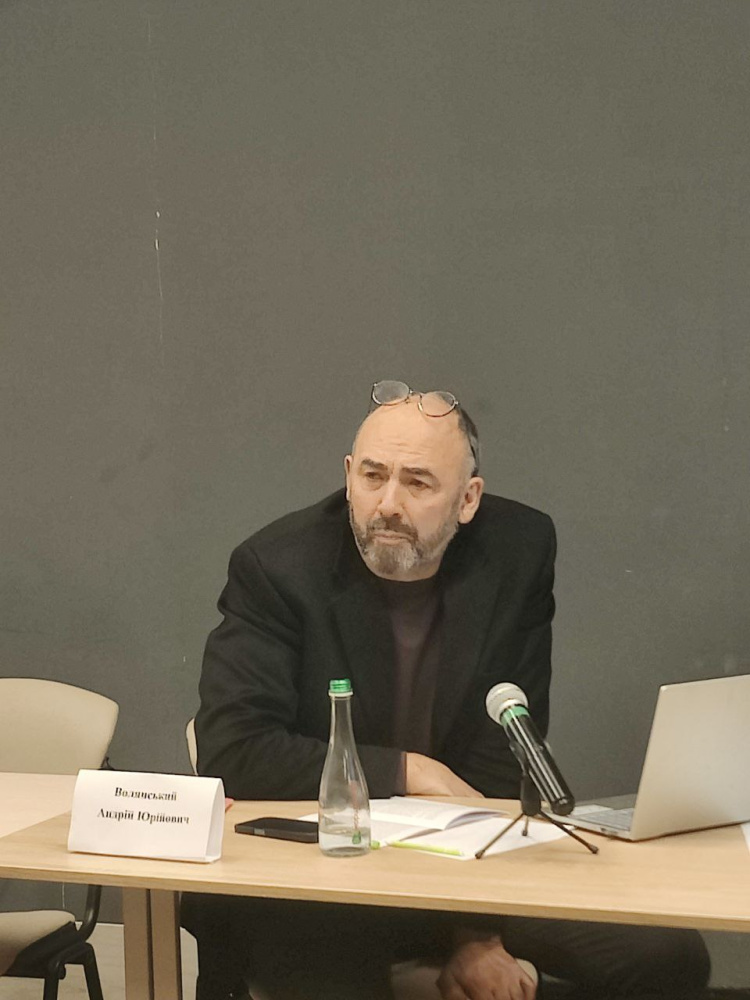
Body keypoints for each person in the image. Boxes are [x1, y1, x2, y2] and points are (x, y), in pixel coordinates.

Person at [184, 380, 710, 1000]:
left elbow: (506, 745)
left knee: (667, 955)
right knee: (332, 975)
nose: (387, 504)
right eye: (373, 477)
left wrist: (476, 934)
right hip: (320, 871)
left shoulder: (517, 550)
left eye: (418, 483)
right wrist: (412, 772)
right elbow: (235, 751)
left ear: (468, 499)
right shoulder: (278, 566)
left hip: (463, 859)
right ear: (348, 477)